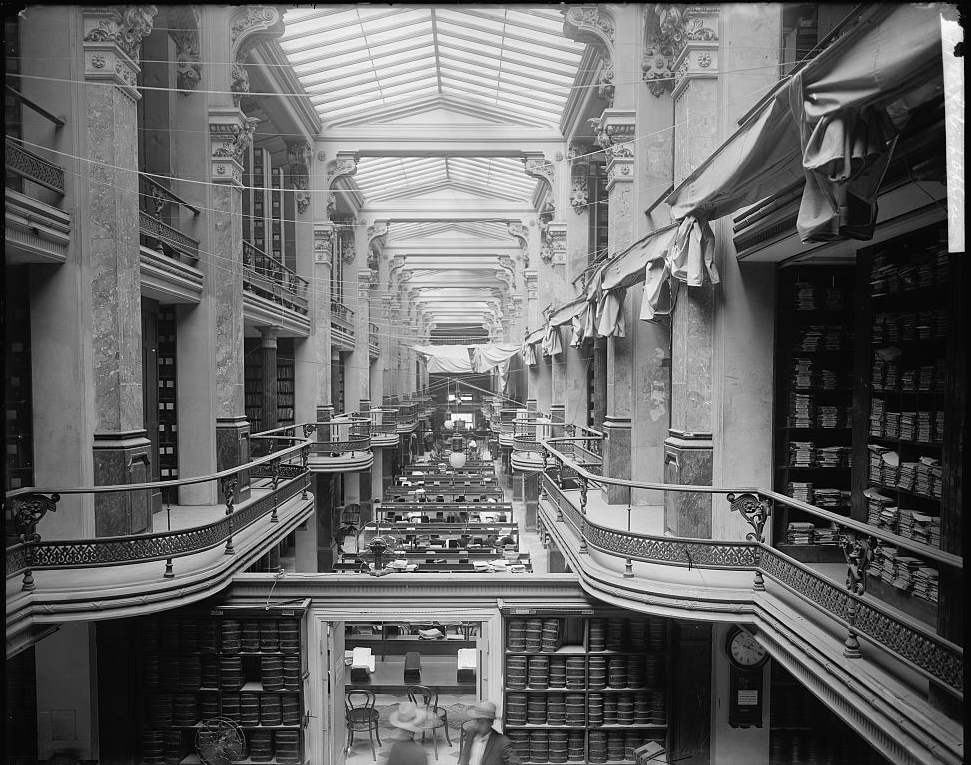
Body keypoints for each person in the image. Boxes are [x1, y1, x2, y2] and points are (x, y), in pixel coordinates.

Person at [458, 700, 521, 765]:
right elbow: (465, 758)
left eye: (482, 722)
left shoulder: (502, 742)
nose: (478, 724)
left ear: (490, 722)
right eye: (477, 720)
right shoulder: (470, 733)